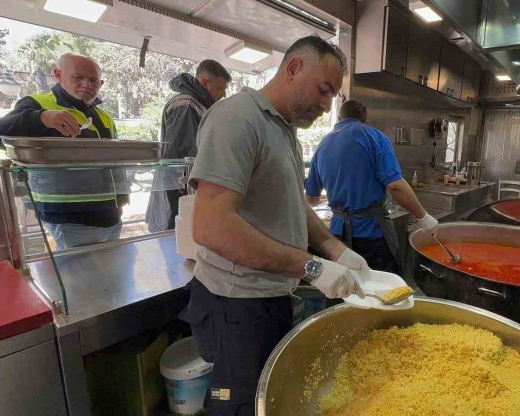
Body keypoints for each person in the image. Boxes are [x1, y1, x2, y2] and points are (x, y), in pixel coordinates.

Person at [185, 35, 367, 415]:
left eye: (332, 95)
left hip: (269, 298)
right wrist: (312, 266)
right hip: (234, 305)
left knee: (261, 397)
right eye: (323, 89)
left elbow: (294, 205)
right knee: (233, 403)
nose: (326, 104)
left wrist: (337, 250)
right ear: (293, 68)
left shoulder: (284, 130)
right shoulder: (236, 118)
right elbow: (212, 227)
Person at [0, 53, 127, 250]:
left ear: (101, 83)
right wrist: (41, 118)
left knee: (111, 275)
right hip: (70, 218)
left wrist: (122, 199)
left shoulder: (103, 116)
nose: (86, 85)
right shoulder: (38, 105)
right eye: (78, 77)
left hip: (111, 215)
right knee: (77, 277)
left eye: (93, 80)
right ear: (58, 75)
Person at [305, 99, 438, 273]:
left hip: (338, 238)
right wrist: (424, 217)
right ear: (365, 120)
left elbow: (312, 198)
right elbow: (395, 186)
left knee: (346, 291)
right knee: (382, 291)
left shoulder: (322, 144)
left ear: (338, 118)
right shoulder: (374, 137)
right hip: (372, 235)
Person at [146, 59, 232, 232]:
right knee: (179, 240)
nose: (223, 95)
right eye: (220, 88)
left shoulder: (198, 105)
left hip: (184, 188)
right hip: (180, 191)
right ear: (205, 82)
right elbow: (184, 158)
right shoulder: (186, 105)